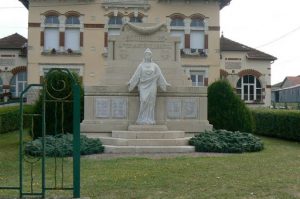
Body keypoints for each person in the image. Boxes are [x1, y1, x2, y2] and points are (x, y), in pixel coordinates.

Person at [128, 48, 170, 125]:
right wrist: (131, 82)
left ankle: (150, 119)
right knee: (143, 101)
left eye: (149, 54)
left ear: (151, 56)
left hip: (152, 85)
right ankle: (141, 119)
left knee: (151, 103)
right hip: (143, 86)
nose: (148, 56)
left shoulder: (155, 66)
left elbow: (160, 75)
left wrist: (165, 83)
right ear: (144, 56)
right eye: (146, 54)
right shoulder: (141, 65)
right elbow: (136, 75)